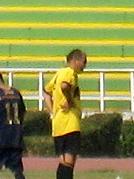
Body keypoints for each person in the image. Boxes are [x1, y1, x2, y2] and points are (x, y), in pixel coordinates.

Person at [43, 49, 87, 179]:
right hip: (70, 123)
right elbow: (64, 86)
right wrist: (69, 100)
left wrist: (53, 111)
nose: (85, 66)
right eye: (84, 62)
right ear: (75, 60)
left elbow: (46, 93)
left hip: (58, 124)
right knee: (69, 161)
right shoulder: (69, 72)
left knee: (63, 161)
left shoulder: (59, 73)